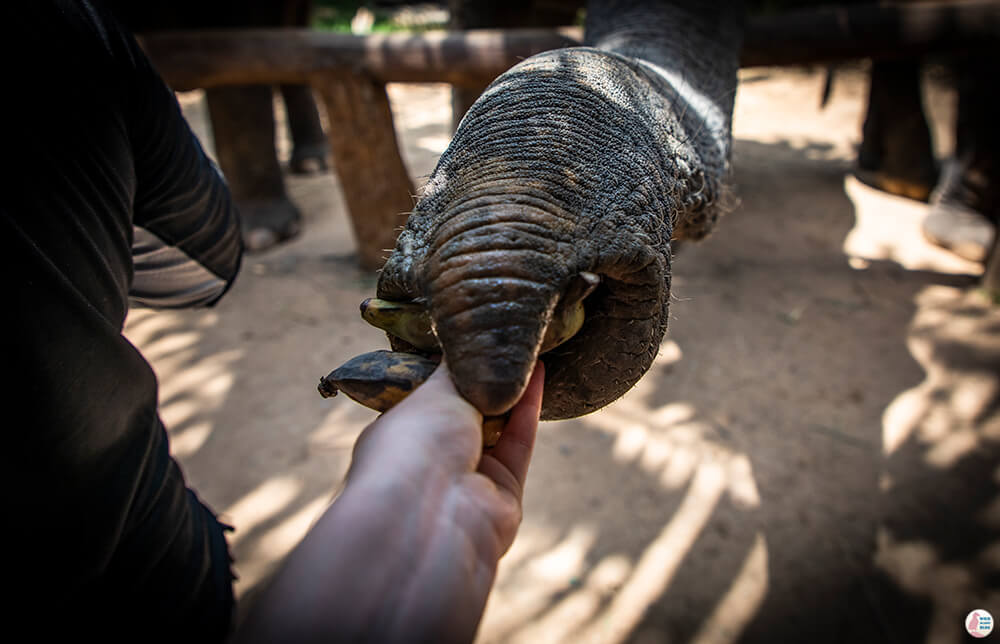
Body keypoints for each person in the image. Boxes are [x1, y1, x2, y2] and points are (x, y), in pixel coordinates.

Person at [1, 1, 543, 640]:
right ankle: (301, 149)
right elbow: (205, 262)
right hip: (151, 576)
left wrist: (428, 514)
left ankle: (277, 175)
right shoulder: (66, 30)